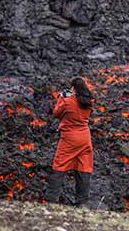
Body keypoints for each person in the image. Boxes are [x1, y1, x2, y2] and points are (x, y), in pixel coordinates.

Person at [46, 77, 94, 206]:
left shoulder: (67, 101)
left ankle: (51, 200)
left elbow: (56, 113)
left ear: (73, 88)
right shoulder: (89, 102)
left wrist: (62, 97)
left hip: (69, 139)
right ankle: (82, 203)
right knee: (84, 167)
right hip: (85, 138)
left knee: (60, 165)